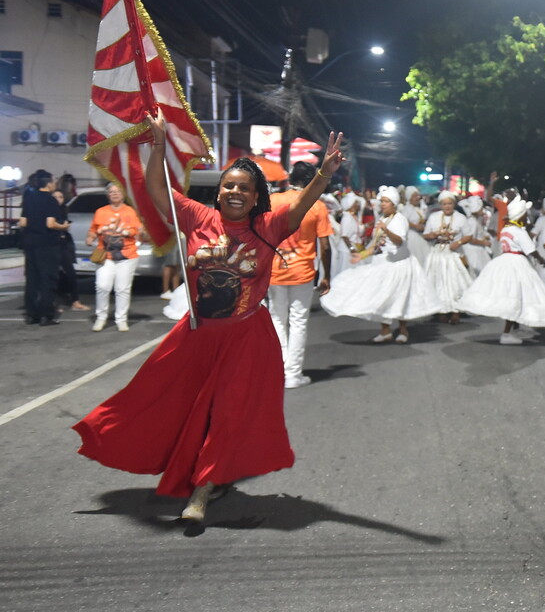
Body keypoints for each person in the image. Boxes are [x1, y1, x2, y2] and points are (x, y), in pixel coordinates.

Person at [74, 110, 345, 524]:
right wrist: (159, 144)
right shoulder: (198, 217)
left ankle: (200, 493)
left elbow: (303, 204)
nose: (235, 192)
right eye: (228, 186)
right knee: (165, 400)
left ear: (256, 197)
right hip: (197, 335)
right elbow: (156, 189)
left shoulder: (268, 227)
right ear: (219, 193)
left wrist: (323, 175)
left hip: (245, 337)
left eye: (244, 188)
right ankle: (193, 470)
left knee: (227, 412)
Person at [321, 186, 442, 344]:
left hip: (400, 263)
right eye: (382, 201)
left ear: (393, 203)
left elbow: (400, 241)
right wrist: (362, 255)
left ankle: (403, 330)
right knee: (383, 296)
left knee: (399, 296)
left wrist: (386, 230)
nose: (382, 204)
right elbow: (376, 245)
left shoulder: (400, 219)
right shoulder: (382, 220)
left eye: (386, 201)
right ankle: (385, 331)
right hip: (383, 262)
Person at [457, 197, 545, 344]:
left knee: (515, 296)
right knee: (515, 298)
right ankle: (507, 334)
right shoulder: (520, 232)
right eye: (525, 214)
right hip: (517, 263)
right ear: (521, 215)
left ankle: (514, 329)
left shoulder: (507, 228)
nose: (527, 217)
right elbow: (530, 250)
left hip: (504, 261)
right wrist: (541, 259)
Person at [267, 162, 334, 390]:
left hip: (274, 270)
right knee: (298, 322)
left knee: (277, 320)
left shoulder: (273, 201)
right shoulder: (317, 206)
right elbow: (325, 246)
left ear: (290, 179)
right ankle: (293, 374)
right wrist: (327, 275)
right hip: (303, 271)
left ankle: (278, 369)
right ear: (310, 181)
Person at [86, 182, 143, 332]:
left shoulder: (130, 211)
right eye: (111, 192)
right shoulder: (100, 212)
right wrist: (90, 238)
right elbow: (93, 230)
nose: (115, 194)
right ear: (107, 195)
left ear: (123, 194)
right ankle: (101, 317)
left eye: (118, 191)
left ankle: (121, 319)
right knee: (102, 286)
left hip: (127, 255)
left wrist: (138, 233)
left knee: (122, 288)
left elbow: (138, 231)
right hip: (105, 255)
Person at [20, 170, 68, 325]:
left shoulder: (28, 198)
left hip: (30, 243)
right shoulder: (50, 200)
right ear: (48, 183)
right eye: (53, 181)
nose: (54, 184)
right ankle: (46, 315)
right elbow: (50, 223)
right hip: (47, 244)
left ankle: (31, 314)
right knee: (48, 279)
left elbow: (23, 222)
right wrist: (63, 226)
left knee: (32, 280)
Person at [423, 190, 474, 324]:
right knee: (439, 281)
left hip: (454, 254)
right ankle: (441, 309)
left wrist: (458, 242)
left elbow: (469, 235)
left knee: (454, 281)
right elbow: (426, 234)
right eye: (444, 204)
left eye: (450, 203)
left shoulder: (460, 218)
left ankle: (456, 310)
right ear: (440, 205)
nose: (447, 206)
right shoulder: (434, 217)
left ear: (454, 204)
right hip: (437, 253)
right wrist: (433, 235)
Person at [53, 189, 90, 312]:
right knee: (53, 275)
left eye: (61, 197)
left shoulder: (64, 210)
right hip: (52, 245)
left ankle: (75, 301)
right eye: (55, 197)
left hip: (64, 245)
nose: (58, 199)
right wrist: (62, 227)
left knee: (71, 273)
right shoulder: (48, 211)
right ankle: (54, 303)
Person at [460, 195, 493, 276]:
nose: (483, 211)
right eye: (482, 208)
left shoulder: (475, 220)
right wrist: (483, 243)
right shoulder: (472, 222)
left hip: (477, 250)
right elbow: (470, 239)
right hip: (473, 252)